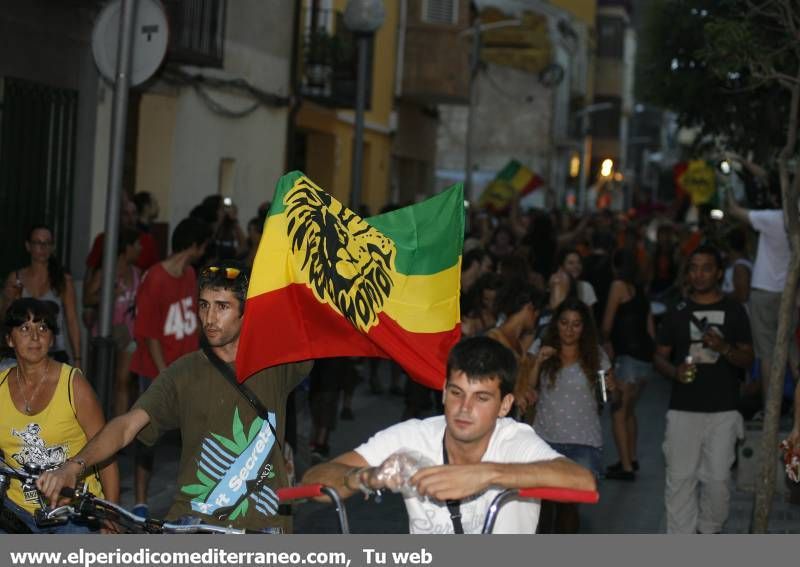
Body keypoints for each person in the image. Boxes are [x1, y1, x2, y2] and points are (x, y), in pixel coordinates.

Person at [37, 261, 312, 533]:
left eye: (222, 306)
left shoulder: (275, 363)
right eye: (204, 305)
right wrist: (73, 467)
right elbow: (126, 426)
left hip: (265, 528)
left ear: (246, 312)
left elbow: (312, 317)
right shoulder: (184, 372)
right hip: (194, 524)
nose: (209, 318)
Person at [302, 337, 596, 534]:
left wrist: (485, 474)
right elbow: (313, 481)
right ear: (443, 391)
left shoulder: (515, 440)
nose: (464, 408)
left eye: (481, 398)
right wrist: (364, 477)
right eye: (456, 393)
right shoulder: (414, 435)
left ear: (505, 405)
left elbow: (583, 481)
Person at [653, 245, 754, 534]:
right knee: (680, 479)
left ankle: (709, 533)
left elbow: (748, 358)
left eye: (706, 267)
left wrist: (723, 348)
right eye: (694, 268)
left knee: (718, 480)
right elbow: (659, 355)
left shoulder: (734, 311)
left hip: (724, 408)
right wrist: (675, 371)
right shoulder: (678, 311)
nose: (699, 274)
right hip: (684, 408)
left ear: (719, 273)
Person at [1, 298, 119, 533]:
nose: (35, 337)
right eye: (25, 328)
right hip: (17, 512)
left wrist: (111, 516)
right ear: (9, 339)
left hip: (74, 511)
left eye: (42, 328)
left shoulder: (73, 384)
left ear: (52, 338)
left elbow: (107, 450)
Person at [129, 217, 211, 518]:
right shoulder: (156, 278)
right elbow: (149, 333)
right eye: (204, 245)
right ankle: (140, 501)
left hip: (187, 371)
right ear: (195, 245)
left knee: (194, 436)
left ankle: (192, 498)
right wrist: (166, 374)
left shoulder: (190, 274)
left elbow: (193, 321)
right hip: (158, 373)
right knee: (147, 437)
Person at [526, 297, 611, 533]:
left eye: (576, 324)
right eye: (564, 322)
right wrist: (537, 363)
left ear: (584, 328)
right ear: (556, 324)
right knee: (542, 506)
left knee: (569, 507)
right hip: (544, 440)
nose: (569, 329)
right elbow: (526, 391)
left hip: (583, 443)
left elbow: (609, 398)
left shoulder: (596, 355)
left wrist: (613, 388)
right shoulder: (541, 348)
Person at [726, 177, 799, 391]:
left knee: (766, 353)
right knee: (791, 348)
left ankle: (770, 410)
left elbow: (734, 210)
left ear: (776, 197)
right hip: (790, 291)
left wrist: (728, 184)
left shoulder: (772, 218)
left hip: (765, 291)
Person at [602, 249, 655, 480]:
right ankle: (630, 458)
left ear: (615, 267)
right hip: (645, 358)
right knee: (630, 412)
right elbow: (650, 328)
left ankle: (625, 467)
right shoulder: (642, 291)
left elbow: (606, 325)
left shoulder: (618, 287)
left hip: (627, 358)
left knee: (618, 412)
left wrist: (605, 345)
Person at [1, 225, 82, 367]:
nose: (42, 247)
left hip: (54, 351)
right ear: (28, 246)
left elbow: (72, 320)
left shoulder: (62, 280)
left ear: (52, 247)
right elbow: (5, 319)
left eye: (47, 243)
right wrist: (9, 300)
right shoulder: (16, 278)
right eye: (38, 242)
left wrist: (77, 358)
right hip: (22, 351)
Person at [83, 229, 142, 417]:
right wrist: (107, 295)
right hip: (104, 332)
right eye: (137, 244)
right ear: (127, 248)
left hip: (129, 333)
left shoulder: (137, 273)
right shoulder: (105, 271)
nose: (141, 249)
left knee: (122, 380)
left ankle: (118, 426)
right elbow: (87, 299)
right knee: (100, 380)